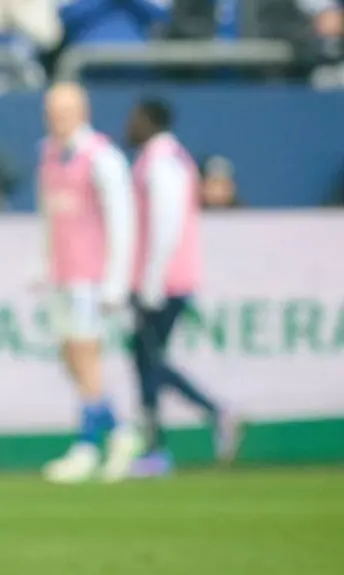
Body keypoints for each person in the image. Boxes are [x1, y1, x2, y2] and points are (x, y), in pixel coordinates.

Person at [123, 98, 242, 477]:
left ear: (151, 121)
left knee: (149, 359)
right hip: (163, 278)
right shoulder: (164, 159)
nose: (129, 124)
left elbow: (166, 224)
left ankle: (170, 438)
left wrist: (151, 282)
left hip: (164, 281)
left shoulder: (162, 163)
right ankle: (161, 440)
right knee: (147, 358)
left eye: (136, 118)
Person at [35, 82, 143, 484]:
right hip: (63, 272)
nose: (56, 119)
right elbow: (49, 213)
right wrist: (42, 261)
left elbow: (121, 220)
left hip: (91, 276)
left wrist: (116, 281)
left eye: (64, 111)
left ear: (81, 111)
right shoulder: (47, 153)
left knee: (86, 355)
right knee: (71, 356)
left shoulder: (103, 157)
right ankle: (120, 432)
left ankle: (86, 445)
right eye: (51, 111)